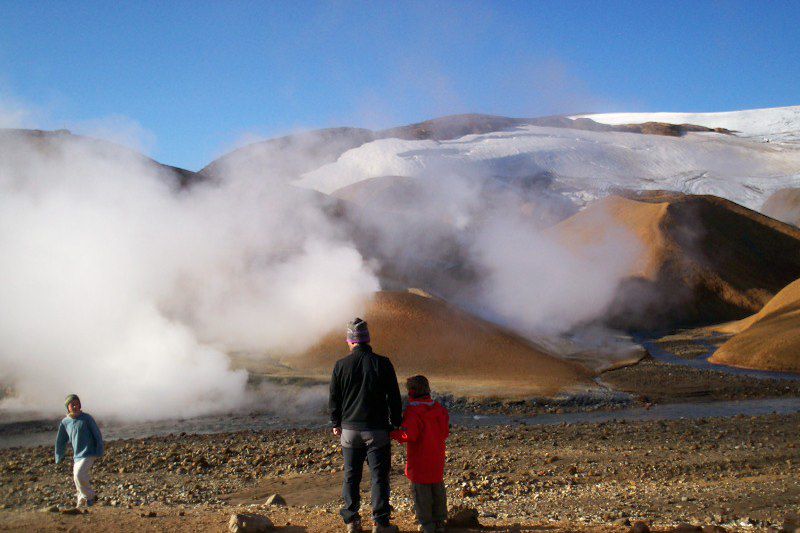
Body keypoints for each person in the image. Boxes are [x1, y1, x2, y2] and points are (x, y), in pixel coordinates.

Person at [329, 318, 402, 533]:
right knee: (379, 478)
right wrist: (396, 422)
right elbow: (394, 398)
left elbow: (334, 398)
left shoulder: (340, 365)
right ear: (367, 339)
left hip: (349, 430)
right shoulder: (383, 362)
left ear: (350, 341)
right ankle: (380, 523)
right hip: (378, 430)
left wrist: (336, 422)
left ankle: (352, 521)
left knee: (351, 476)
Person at [391, 375, 450, 533]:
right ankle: (440, 521)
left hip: (419, 459)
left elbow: (410, 435)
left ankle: (427, 524)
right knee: (437, 487)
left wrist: (393, 433)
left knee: (421, 492)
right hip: (436, 455)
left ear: (411, 392)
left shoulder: (413, 411)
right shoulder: (439, 409)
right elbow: (445, 432)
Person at [55, 394, 104, 507]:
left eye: (77, 404)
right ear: (68, 407)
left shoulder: (87, 418)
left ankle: (90, 495)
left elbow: (97, 434)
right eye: (73, 405)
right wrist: (59, 456)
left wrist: (99, 450)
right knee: (77, 479)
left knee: (78, 475)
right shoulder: (65, 422)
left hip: (89, 453)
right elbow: (60, 441)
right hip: (77, 455)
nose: (76, 406)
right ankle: (81, 502)